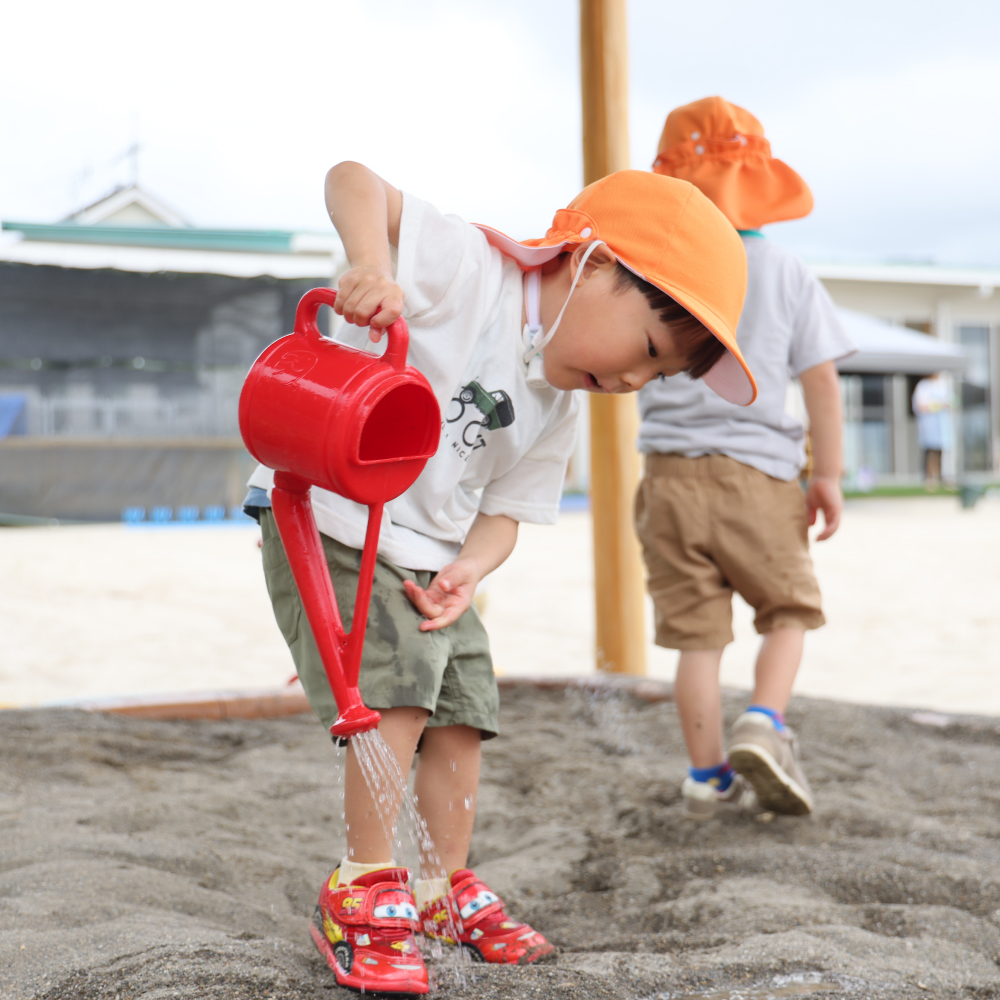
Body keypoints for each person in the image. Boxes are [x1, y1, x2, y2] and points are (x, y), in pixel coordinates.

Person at [244, 161, 754, 993]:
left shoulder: (558, 405)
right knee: (399, 686)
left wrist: (471, 570)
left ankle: (438, 885)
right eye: (649, 349)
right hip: (332, 514)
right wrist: (371, 265)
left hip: (432, 555)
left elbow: (508, 511)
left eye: (655, 377)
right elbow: (352, 180)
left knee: (465, 706)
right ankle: (362, 883)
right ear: (592, 264)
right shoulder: (469, 271)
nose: (633, 381)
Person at [635, 97, 856, 822]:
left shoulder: (657, 269)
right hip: (758, 475)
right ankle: (765, 719)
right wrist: (826, 473)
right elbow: (820, 379)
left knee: (696, 638)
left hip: (666, 478)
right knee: (787, 611)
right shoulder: (786, 269)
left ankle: (706, 776)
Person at [912, 372, 950, 487]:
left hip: (941, 423)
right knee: (929, 451)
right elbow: (920, 406)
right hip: (928, 423)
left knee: (940, 450)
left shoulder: (942, 385)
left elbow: (949, 402)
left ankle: (940, 476)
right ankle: (929, 477)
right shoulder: (923, 386)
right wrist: (937, 406)